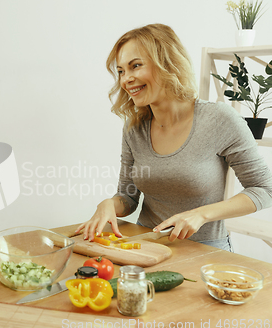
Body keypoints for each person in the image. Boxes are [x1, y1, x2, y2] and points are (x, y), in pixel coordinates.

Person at [76, 24, 272, 250]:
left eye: (135, 66)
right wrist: (109, 204)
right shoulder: (134, 128)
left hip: (205, 249)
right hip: (146, 246)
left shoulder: (219, 119)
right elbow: (128, 196)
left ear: (167, 64)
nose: (126, 79)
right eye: (121, 71)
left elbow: (264, 190)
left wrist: (201, 215)